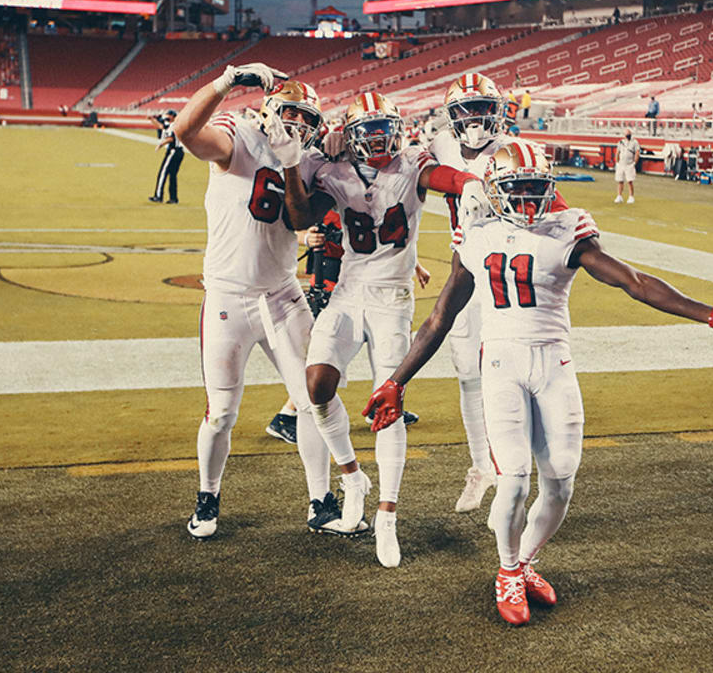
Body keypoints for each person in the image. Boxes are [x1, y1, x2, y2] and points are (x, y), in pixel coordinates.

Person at [362, 140, 713, 625]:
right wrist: (397, 380)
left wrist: (708, 315)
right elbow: (439, 319)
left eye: (536, 187)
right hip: (501, 365)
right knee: (513, 483)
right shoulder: (475, 236)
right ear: (494, 191)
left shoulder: (567, 230)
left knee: (560, 483)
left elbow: (632, 281)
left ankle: (526, 559)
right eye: (517, 189)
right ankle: (508, 571)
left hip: (554, 363)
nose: (528, 199)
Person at [281, 91, 488, 567]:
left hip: (392, 297)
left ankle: (388, 516)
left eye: (384, 128)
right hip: (349, 289)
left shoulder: (412, 161)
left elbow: (443, 176)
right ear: (350, 137)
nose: (379, 139)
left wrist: (468, 183)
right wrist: (301, 160)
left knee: (388, 401)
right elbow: (298, 214)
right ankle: (353, 477)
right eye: (367, 131)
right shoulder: (331, 167)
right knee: (316, 385)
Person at [170, 62, 349, 540]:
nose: (299, 125)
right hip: (229, 297)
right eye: (292, 113)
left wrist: (341, 147)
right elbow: (185, 131)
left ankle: (321, 500)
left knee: (313, 400)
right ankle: (208, 495)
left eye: (309, 120)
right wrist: (225, 83)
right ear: (269, 109)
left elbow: (304, 212)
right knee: (222, 412)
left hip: (283, 295)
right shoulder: (242, 136)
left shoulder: (308, 159)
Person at [429, 72, 571, 514]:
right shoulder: (439, 144)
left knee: (513, 370)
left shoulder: (513, 152)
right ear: (451, 117)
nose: (474, 119)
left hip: (508, 273)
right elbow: (413, 167)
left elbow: (555, 203)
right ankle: (482, 468)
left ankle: (518, 472)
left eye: (483, 109)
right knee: (467, 371)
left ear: (499, 112)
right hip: (466, 263)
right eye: (466, 110)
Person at [264, 212, 429, 445]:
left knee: (380, 346)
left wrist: (415, 265)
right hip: (333, 280)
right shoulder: (330, 190)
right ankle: (286, 414)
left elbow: (386, 240)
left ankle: (380, 404)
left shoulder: (360, 192)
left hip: (360, 280)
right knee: (324, 356)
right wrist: (306, 239)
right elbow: (289, 226)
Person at [149, 110, 184, 204]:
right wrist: (152, 120)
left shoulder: (173, 126)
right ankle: (173, 198)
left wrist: (160, 144)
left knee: (163, 173)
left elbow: (170, 138)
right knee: (172, 175)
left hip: (173, 151)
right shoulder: (171, 125)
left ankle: (158, 196)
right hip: (178, 151)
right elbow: (161, 126)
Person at [614, 130, 641, 204]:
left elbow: (637, 153)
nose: (628, 135)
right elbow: (617, 152)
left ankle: (631, 196)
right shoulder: (620, 142)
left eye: (629, 134)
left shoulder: (635, 142)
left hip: (629, 164)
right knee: (620, 180)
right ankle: (619, 196)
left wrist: (634, 163)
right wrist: (617, 162)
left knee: (630, 181)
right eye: (627, 134)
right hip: (621, 164)